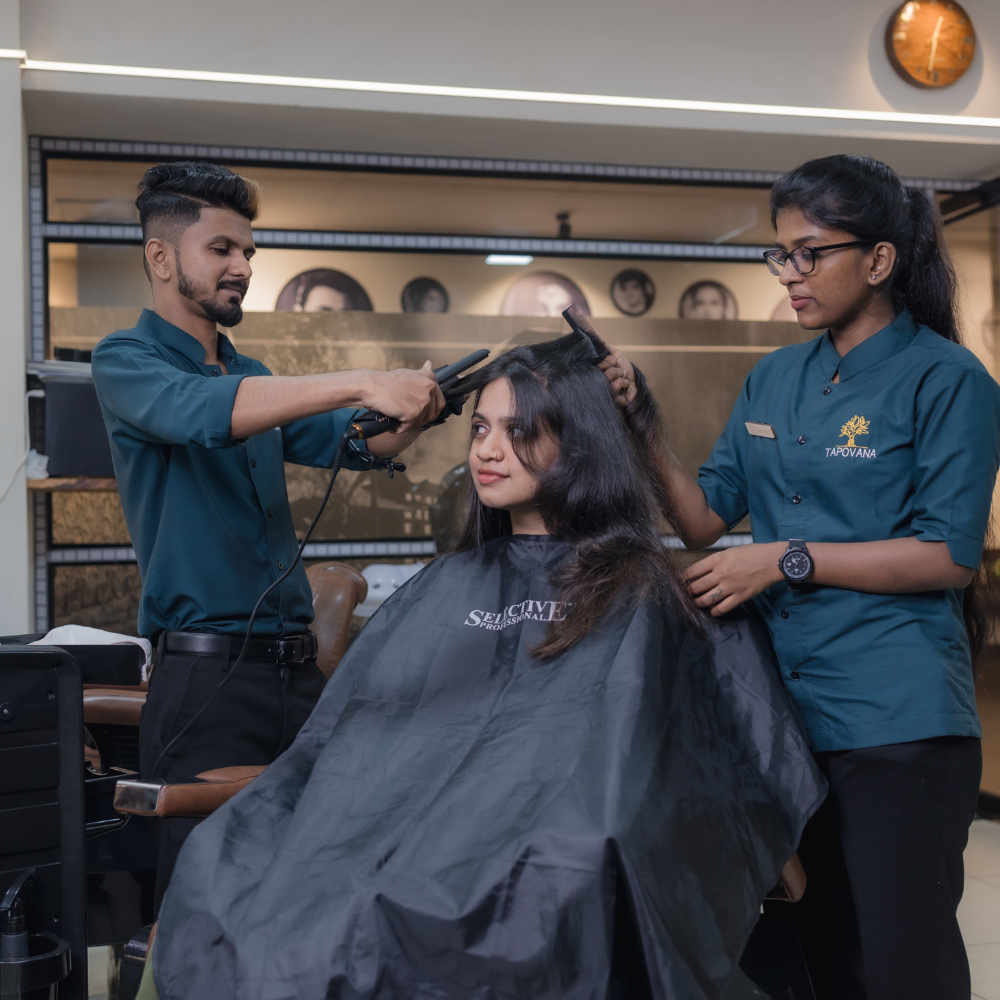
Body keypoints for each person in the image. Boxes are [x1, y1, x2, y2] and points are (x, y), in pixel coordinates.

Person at [149, 326, 825, 1000]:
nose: (489, 451)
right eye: (480, 429)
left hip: (544, 861)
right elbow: (355, 749)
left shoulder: (644, 592)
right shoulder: (447, 585)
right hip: (411, 845)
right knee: (227, 868)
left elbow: (649, 775)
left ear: (580, 442)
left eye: (519, 430)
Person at [602, 154, 1000, 1000]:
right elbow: (706, 519)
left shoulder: (947, 379)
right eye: (780, 254)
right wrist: (640, 419)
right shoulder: (774, 377)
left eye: (809, 252)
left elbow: (947, 556)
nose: (790, 274)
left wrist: (786, 557)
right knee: (812, 953)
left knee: (900, 963)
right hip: (782, 722)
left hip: (897, 723)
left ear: (880, 260)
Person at [91, 161, 444, 912]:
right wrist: (359, 381)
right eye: (222, 249)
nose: (242, 268)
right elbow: (202, 412)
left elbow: (350, 441)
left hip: (297, 676)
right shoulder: (127, 362)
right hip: (205, 683)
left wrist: (418, 406)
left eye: (247, 252)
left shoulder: (253, 372)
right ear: (161, 257)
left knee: (307, 889)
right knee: (206, 903)